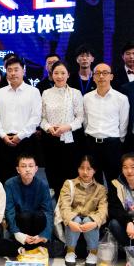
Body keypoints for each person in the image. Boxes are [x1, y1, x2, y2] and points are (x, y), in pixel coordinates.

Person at [0, 57, 42, 183]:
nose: (13, 73)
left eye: (16, 69)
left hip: (26, 142)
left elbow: (36, 117)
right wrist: (3, 135)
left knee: (25, 179)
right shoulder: (0, 92)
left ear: (23, 71)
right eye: (9, 70)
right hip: (4, 141)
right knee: (4, 178)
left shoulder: (33, 92)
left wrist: (20, 135)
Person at [40, 61, 84, 194]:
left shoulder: (75, 93)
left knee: (70, 173)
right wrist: (49, 128)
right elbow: (41, 118)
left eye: (63, 73)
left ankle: (70, 200)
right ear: (51, 75)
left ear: (68, 75)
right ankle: (57, 199)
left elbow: (80, 118)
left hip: (70, 140)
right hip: (50, 139)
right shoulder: (46, 93)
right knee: (53, 172)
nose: (59, 76)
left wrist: (67, 127)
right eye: (56, 73)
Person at [82, 62, 129, 184]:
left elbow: (123, 124)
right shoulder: (86, 98)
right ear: (93, 77)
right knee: (94, 182)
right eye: (98, 73)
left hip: (112, 145)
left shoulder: (121, 98)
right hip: (92, 144)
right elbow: (85, 121)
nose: (101, 76)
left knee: (114, 181)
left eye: (105, 73)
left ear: (111, 76)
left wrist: (118, 140)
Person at [57, 155, 107, 266]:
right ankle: (70, 251)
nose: (85, 172)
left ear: (94, 170)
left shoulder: (100, 189)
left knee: (90, 219)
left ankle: (93, 252)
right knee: (75, 218)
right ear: (77, 169)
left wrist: (95, 222)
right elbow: (64, 206)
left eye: (89, 169)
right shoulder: (68, 184)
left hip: (90, 220)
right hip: (74, 218)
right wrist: (70, 221)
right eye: (82, 168)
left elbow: (103, 210)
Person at [4, 154, 53, 255]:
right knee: (24, 216)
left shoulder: (43, 185)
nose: (27, 169)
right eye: (23, 166)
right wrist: (17, 233)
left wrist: (44, 235)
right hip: (20, 223)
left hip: (37, 223)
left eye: (31, 166)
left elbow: (48, 212)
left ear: (36, 169)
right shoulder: (9, 184)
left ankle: (35, 244)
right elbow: (9, 210)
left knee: (40, 215)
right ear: (18, 169)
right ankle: (26, 246)